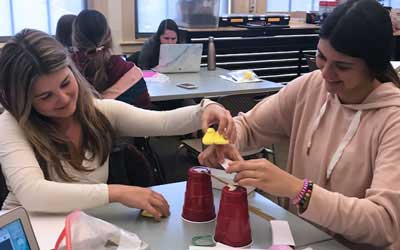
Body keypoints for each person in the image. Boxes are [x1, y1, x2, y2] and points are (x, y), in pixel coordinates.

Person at [199, 0, 400, 249]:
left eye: (342, 66)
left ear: (375, 66)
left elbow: (385, 223)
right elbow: (250, 126)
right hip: (300, 237)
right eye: (321, 57)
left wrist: (299, 191)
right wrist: (223, 137)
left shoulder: (393, 120)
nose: (326, 74)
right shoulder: (311, 86)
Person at [0, 29, 235, 219]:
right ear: (23, 99)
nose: (63, 99)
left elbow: (163, 122)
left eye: (64, 83)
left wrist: (207, 109)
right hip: (26, 233)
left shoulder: (97, 112)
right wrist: (118, 193)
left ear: (72, 71)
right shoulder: (10, 124)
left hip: (80, 228)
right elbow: (33, 194)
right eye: (45, 96)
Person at [72, 10, 151, 109]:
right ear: (109, 35)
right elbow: (144, 114)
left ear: (75, 39)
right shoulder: (130, 72)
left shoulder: (65, 73)